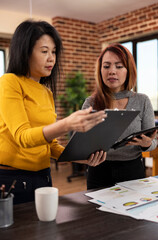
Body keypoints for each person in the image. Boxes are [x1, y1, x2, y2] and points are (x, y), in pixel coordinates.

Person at [0, 19, 107, 204]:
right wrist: (66, 124)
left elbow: (50, 146)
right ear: (25, 52)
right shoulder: (9, 82)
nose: (51, 58)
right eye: (44, 51)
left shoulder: (46, 92)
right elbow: (23, 137)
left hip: (43, 177)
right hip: (13, 180)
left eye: (54, 52)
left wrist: (81, 158)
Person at [82, 43, 158, 190]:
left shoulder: (142, 101)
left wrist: (147, 143)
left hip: (132, 170)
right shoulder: (90, 102)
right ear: (100, 70)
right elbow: (83, 143)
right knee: (97, 213)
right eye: (106, 66)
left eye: (119, 66)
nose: (112, 71)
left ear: (128, 70)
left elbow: (152, 143)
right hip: (98, 171)